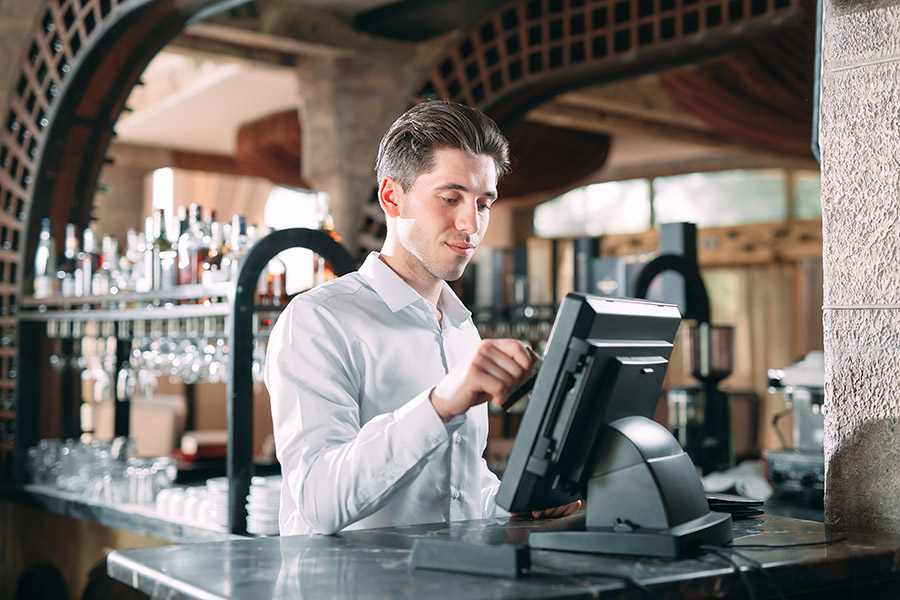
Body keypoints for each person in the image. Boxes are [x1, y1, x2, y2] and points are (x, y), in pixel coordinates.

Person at [265, 100, 580, 536]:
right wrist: (441, 402)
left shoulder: (461, 328)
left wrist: (512, 504)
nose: (471, 224)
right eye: (450, 198)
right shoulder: (318, 321)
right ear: (392, 197)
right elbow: (319, 501)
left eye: (484, 203)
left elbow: (456, 490)